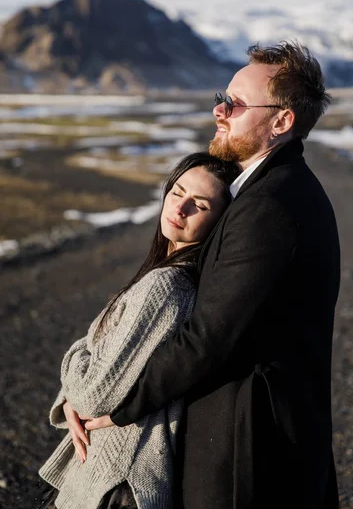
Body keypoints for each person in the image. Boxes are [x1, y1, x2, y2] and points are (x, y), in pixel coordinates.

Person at [85, 41, 341, 509]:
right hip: (259, 436)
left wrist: (117, 408)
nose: (220, 110)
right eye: (222, 97)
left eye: (236, 104)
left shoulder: (271, 208)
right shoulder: (273, 191)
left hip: (248, 445)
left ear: (281, 122)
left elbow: (208, 338)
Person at [37, 152, 239, 509]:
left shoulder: (166, 286)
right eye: (177, 192)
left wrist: (73, 379)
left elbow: (92, 396)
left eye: (200, 205)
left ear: (219, 222)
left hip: (113, 482)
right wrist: (72, 393)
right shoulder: (177, 277)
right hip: (118, 470)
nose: (179, 208)